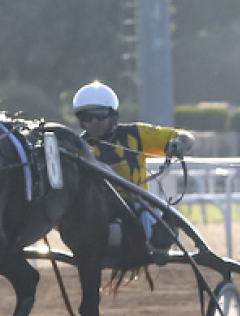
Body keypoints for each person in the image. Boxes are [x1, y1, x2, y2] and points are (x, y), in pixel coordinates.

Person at [72, 81, 195, 260]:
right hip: (98, 211)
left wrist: (179, 144)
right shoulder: (78, 148)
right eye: (87, 117)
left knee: (152, 211)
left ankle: (158, 244)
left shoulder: (136, 134)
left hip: (137, 207)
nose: (94, 122)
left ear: (113, 115)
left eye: (100, 115)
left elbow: (186, 137)